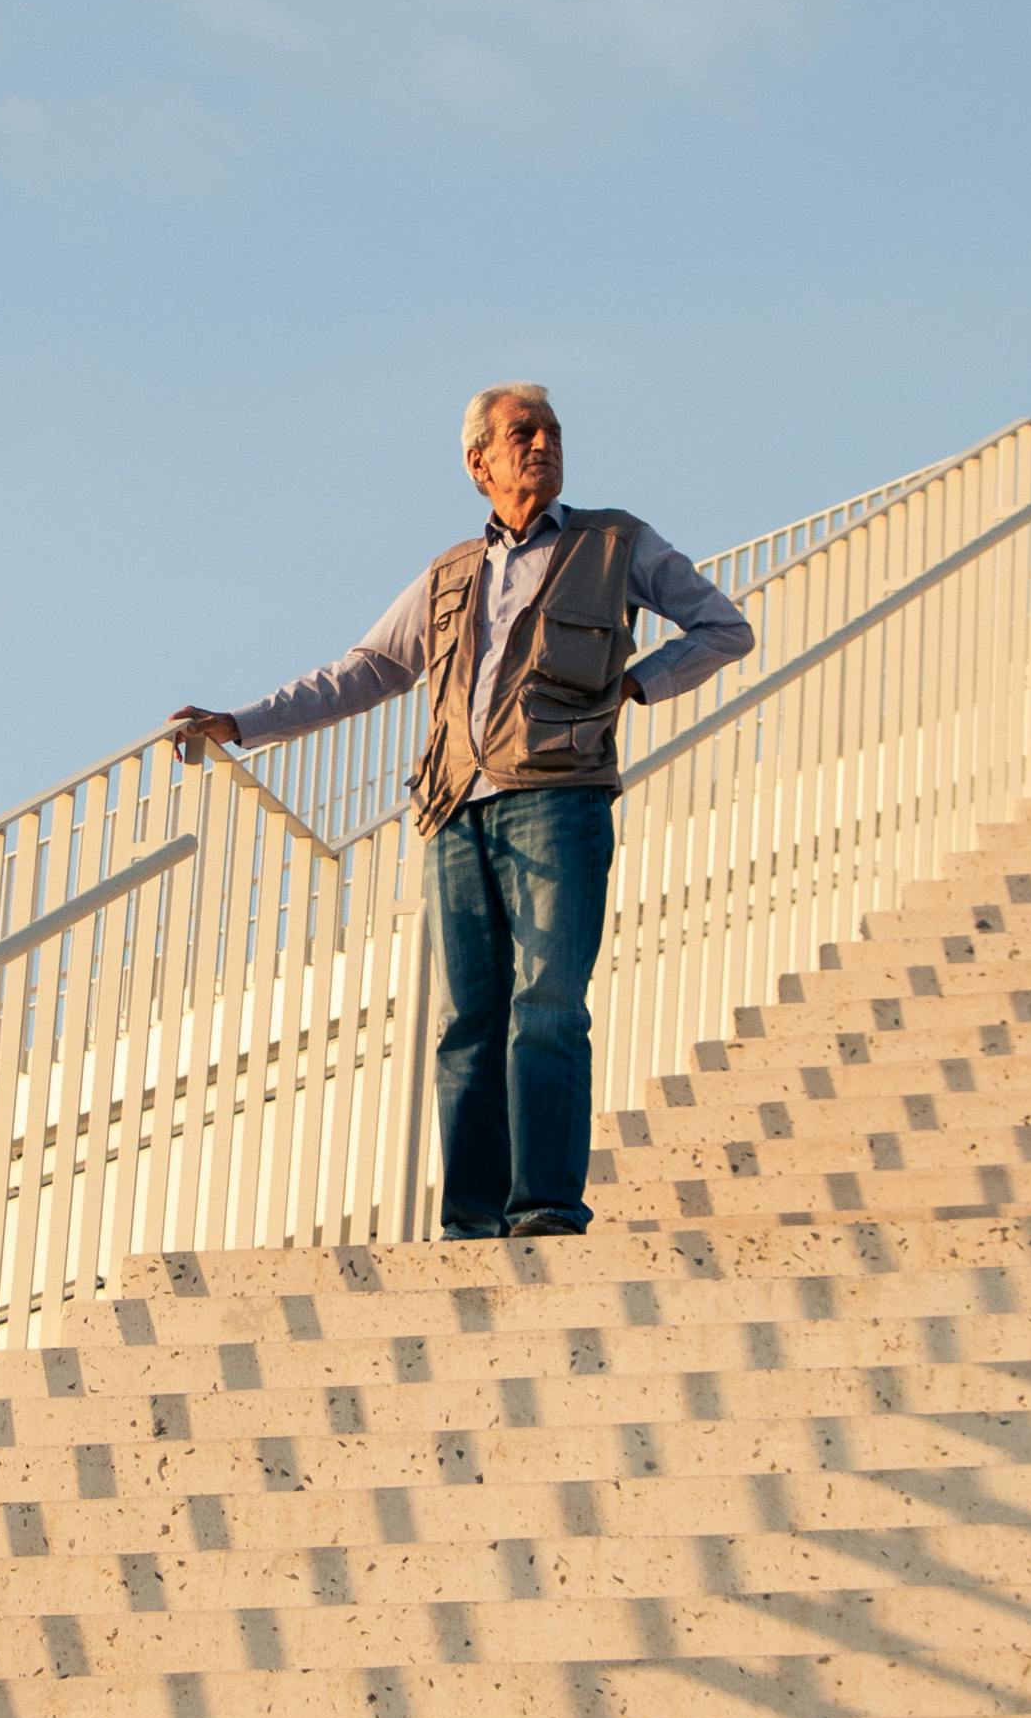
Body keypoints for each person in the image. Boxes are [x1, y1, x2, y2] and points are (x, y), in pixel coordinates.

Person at [168, 384, 751, 1241]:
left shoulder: (615, 542)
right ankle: (472, 1219)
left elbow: (722, 628)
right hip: (454, 809)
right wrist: (242, 724)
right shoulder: (449, 574)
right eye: (523, 433)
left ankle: (546, 1206)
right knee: (465, 1024)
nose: (542, 444)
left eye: (551, 431)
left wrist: (635, 683)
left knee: (548, 1002)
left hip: (558, 794)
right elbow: (363, 671)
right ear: (478, 462)